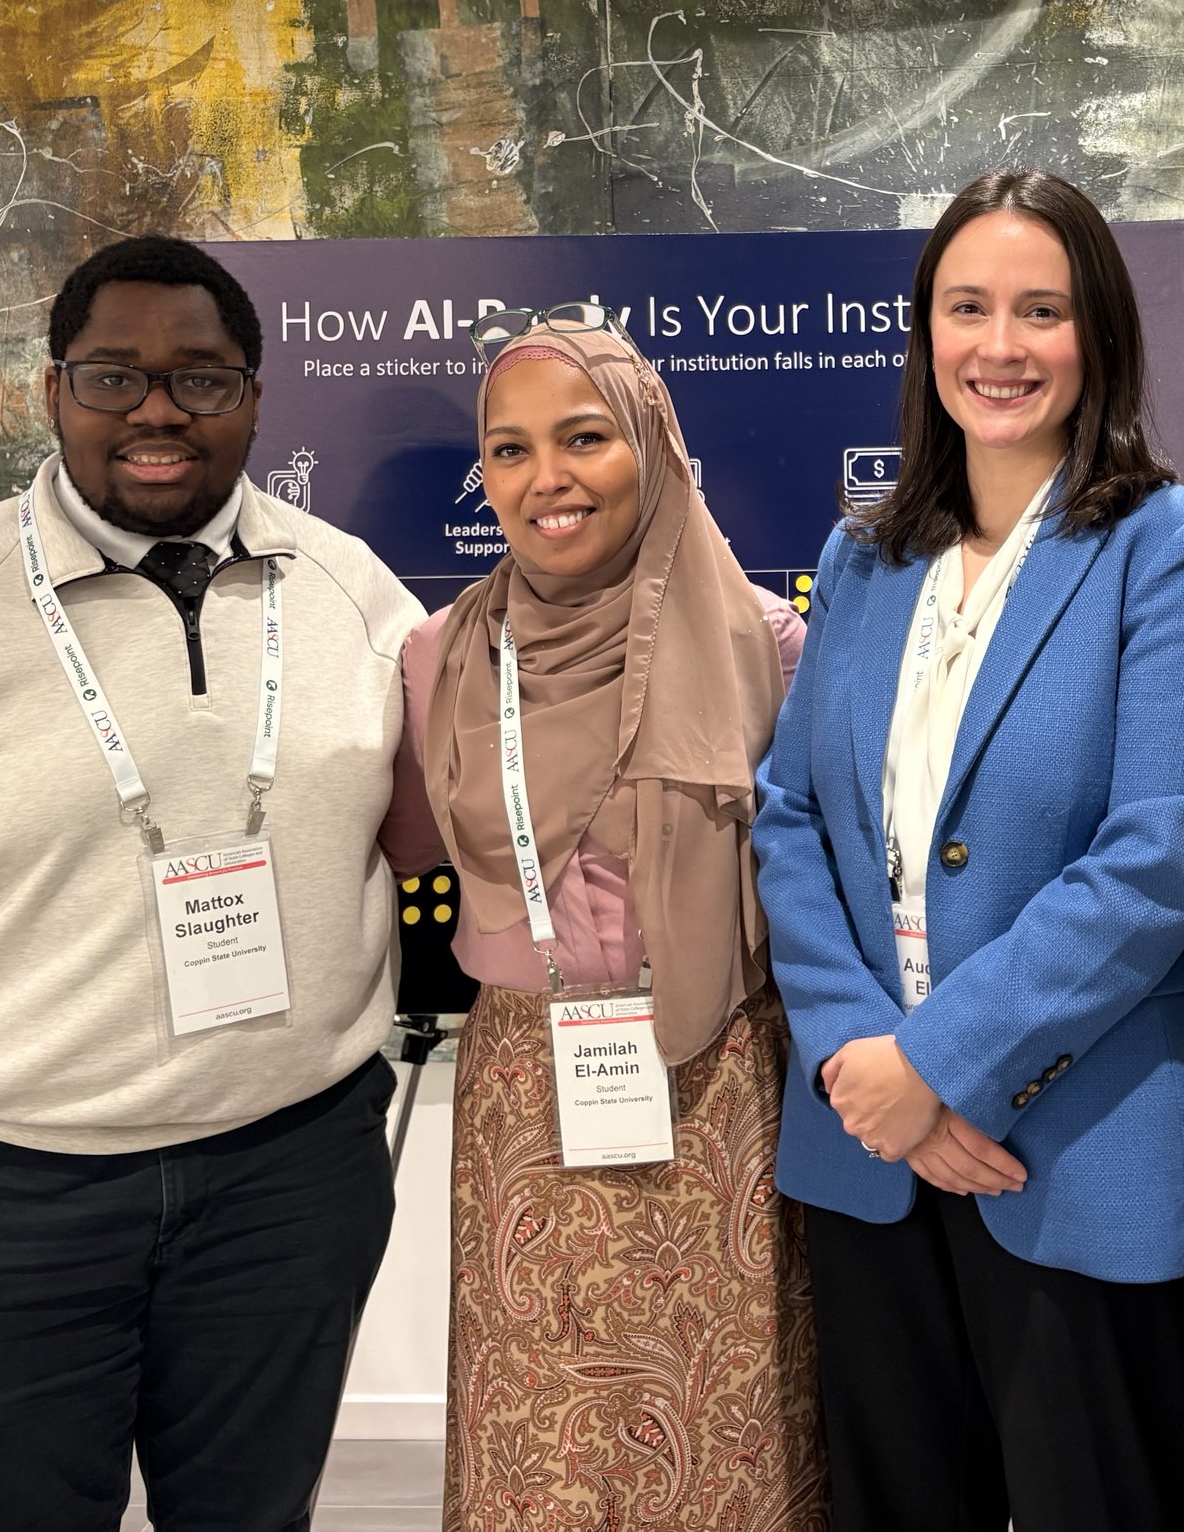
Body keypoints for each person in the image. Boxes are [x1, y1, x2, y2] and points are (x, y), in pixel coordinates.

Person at [0, 236, 424, 1532]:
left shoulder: (356, 597)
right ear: (52, 392)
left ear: (254, 397)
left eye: (200, 378)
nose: (158, 410)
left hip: (288, 1181)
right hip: (1, 1197)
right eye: (114, 376)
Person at [752, 169, 1184, 1532]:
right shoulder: (862, 556)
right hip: (865, 1149)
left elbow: (1149, 864)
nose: (1000, 345)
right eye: (966, 307)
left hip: (1078, 1148)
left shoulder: (1177, 551)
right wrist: (862, 1058)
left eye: (1041, 310)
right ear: (925, 332)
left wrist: (937, 1065)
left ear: (1099, 334)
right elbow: (792, 817)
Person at [377, 315, 828, 1530]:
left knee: (733, 1426)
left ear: (653, 447)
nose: (547, 478)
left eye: (584, 438)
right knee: (543, 1440)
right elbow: (410, 844)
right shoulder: (439, 657)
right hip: (526, 1086)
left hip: (723, 1077)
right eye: (509, 449)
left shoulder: (769, 648)